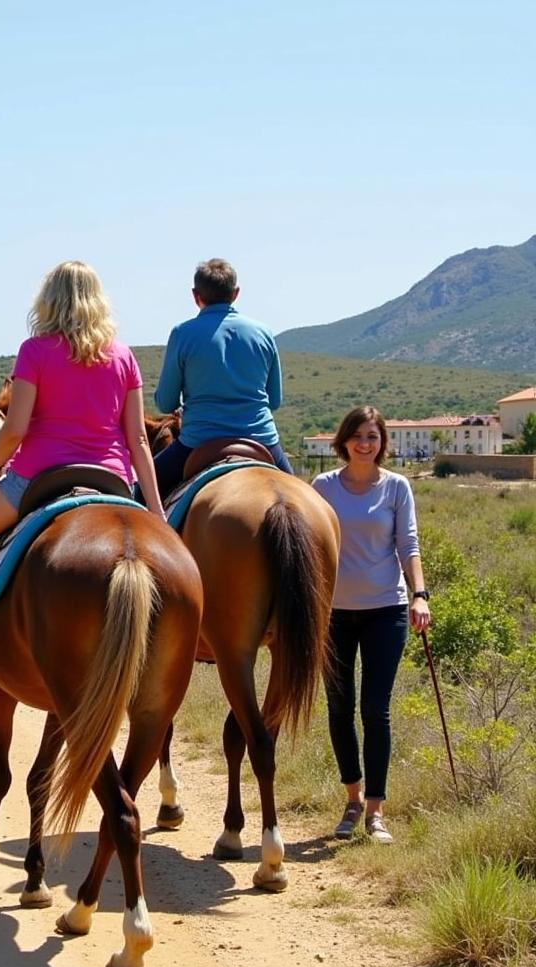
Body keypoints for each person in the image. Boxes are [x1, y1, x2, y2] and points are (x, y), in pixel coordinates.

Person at [0, 260, 167, 709]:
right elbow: (138, 438)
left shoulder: (35, 351)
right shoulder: (123, 357)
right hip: (112, 480)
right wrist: (155, 512)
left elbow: (16, 428)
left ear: (49, 300)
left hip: (38, 477)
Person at [312, 405, 432, 844]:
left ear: (382, 443)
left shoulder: (397, 488)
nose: (365, 443)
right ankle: (351, 800)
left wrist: (419, 595)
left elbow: (409, 545)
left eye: (373, 436)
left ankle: (376, 811)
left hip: (387, 610)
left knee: (375, 710)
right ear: (343, 441)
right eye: (358, 436)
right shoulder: (322, 487)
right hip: (334, 614)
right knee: (340, 710)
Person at [150, 258, 293, 501]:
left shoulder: (182, 333)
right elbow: (275, 400)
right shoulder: (263, 333)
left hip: (198, 441)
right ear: (235, 293)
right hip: (261, 438)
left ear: (195, 296)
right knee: (303, 498)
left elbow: (165, 403)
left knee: (142, 491)